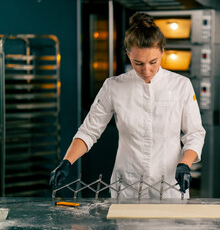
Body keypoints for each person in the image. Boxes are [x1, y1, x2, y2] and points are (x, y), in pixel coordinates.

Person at [49, 12, 206, 198]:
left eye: (153, 62)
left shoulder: (181, 85)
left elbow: (194, 133)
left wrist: (185, 164)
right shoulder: (113, 86)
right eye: (138, 63)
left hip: (170, 186)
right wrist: (67, 161)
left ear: (163, 52)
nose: (146, 70)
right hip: (128, 187)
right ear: (128, 54)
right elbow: (89, 131)